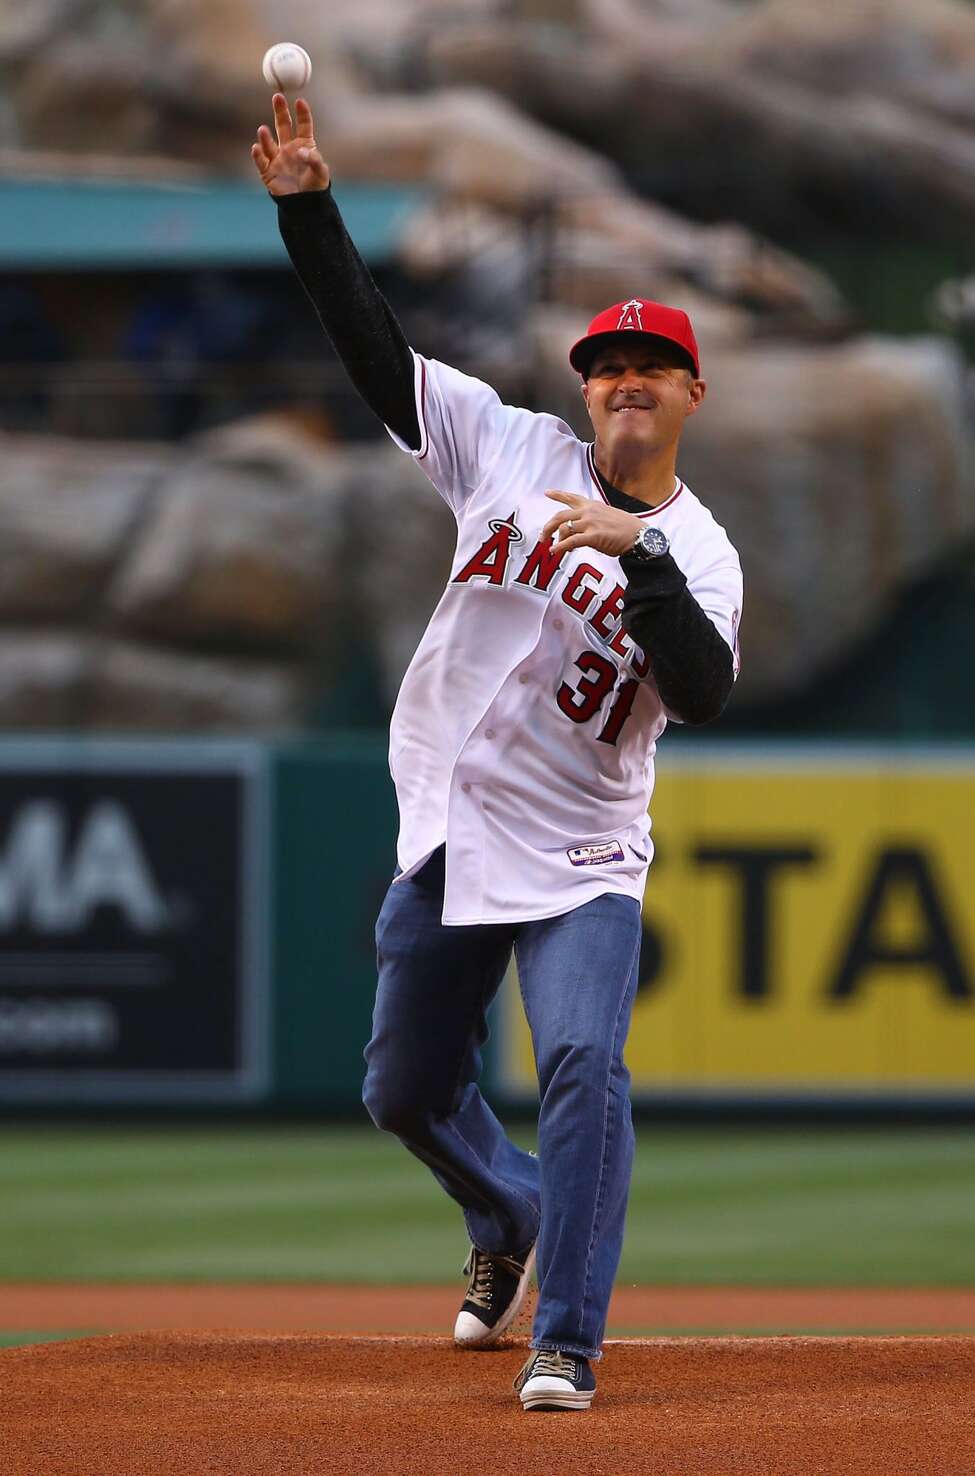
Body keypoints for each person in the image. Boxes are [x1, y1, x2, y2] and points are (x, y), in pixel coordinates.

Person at [252, 94, 742, 1413]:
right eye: (604, 364)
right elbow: (374, 350)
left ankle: (567, 1342)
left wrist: (639, 559)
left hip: (584, 850)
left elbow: (697, 689)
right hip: (454, 822)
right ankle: (505, 1208)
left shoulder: (699, 553)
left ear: (692, 390)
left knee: (584, 1058)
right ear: (584, 387)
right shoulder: (507, 451)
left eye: (650, 363)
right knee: (404, 1092)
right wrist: (308, 210)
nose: (623, 378)